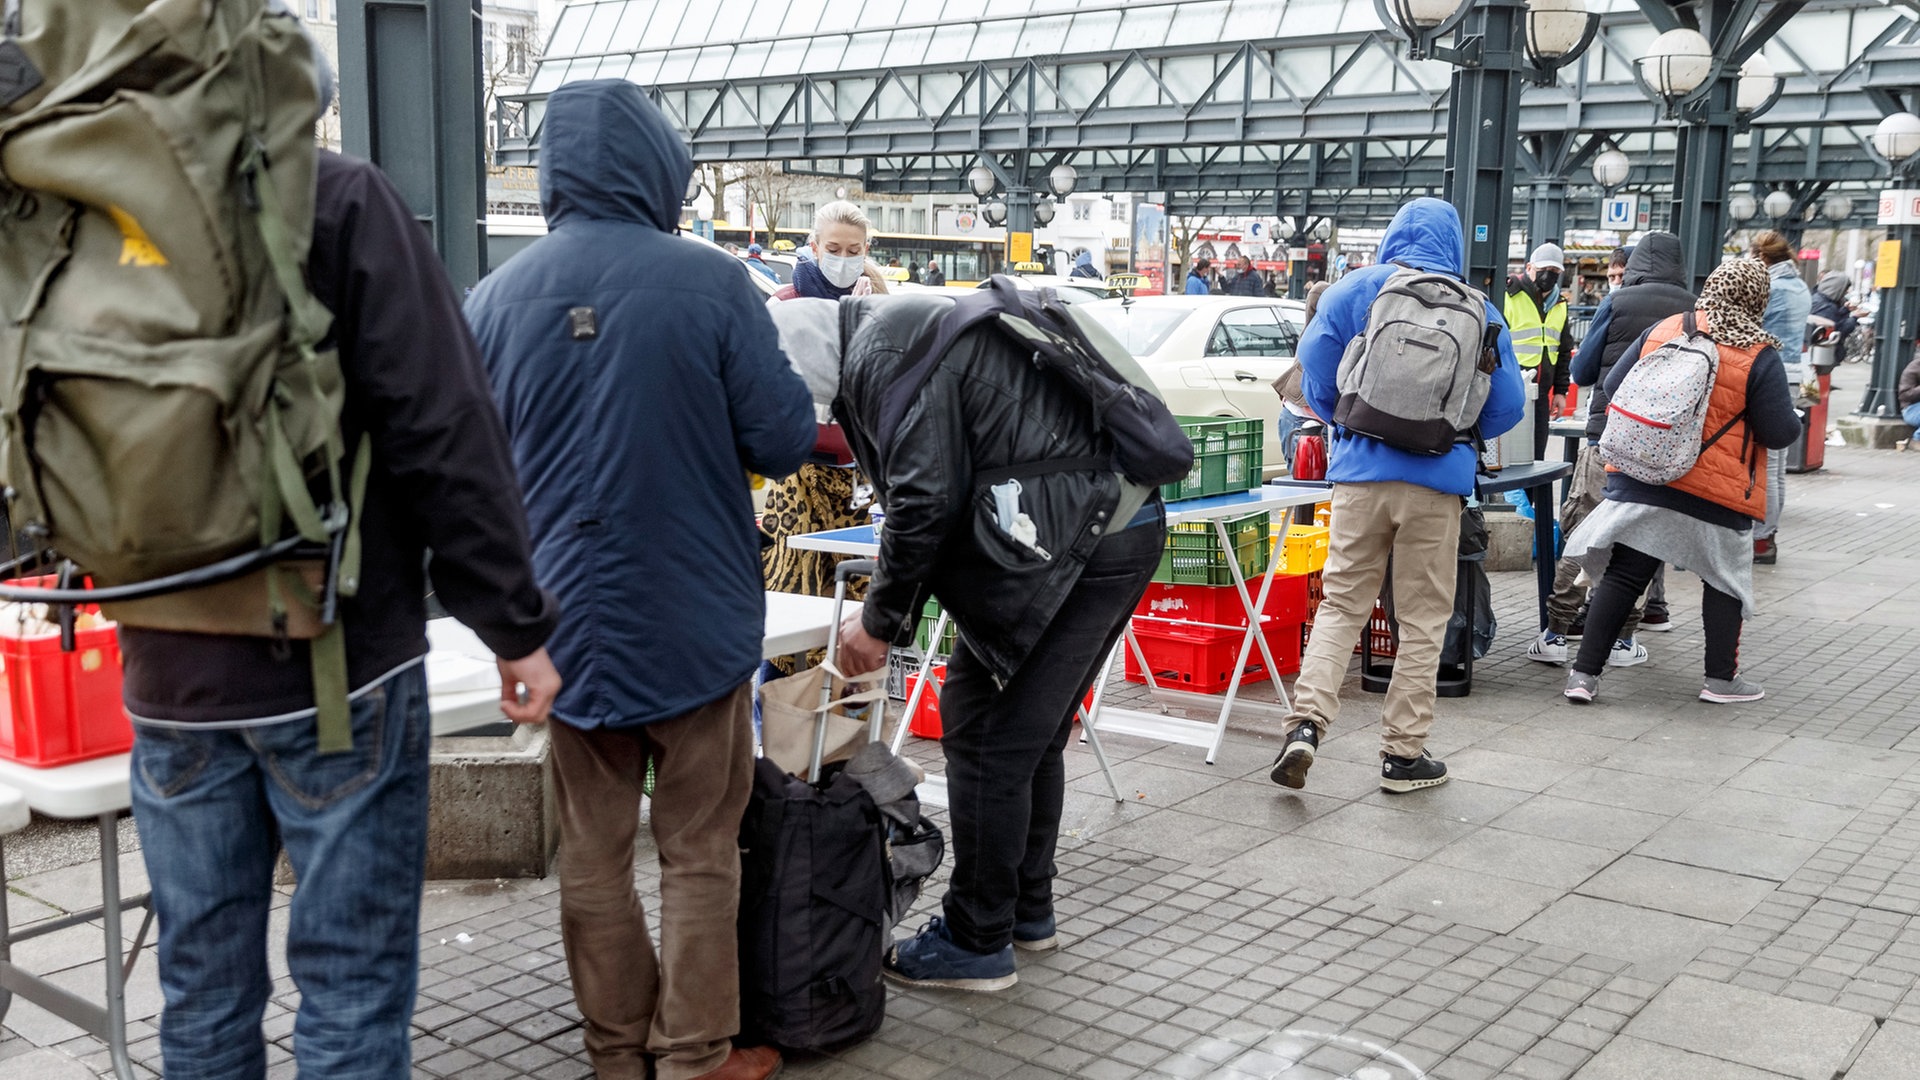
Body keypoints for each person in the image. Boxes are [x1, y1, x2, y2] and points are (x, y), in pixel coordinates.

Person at [123, 57, 564, 1080]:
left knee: (199, 988)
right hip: (334, 665)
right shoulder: (340, 198)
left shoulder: (106, 220)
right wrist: (515, 626)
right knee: (352, 990)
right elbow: (445, 430)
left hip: (163, 665)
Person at [465, 80, 815, 1080]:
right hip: (696, 617)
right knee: (701, 849)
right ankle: (696, 1055)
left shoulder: (490, 298)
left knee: (593, 850)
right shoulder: (709, 284)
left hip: (561, 623)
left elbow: (466, 475)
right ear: (662, 165)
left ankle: (616, 1056)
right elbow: (787, 438)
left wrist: (504, 627)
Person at [821, 290, 1168, 993]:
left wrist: (880, 623)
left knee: (985, 740)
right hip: (1109, 527)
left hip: (1073, 538)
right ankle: (1024, 914)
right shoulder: (904, 328)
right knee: (1026, 737)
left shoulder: (882, 348)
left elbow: (924, 499)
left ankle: (977, 940)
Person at [1268, 198, 1525, 794]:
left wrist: (1352, 426)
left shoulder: (1351, 291)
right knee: (1422, 618)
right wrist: (1451, 433)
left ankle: (1305, 726)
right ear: (1455, 244)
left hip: (1360, 474)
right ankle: (1403, 756)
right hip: (1437, 481)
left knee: (1341, 606)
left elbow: (1313, 380)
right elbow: (1507, 406)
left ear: (1390, 239)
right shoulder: (1480, 309)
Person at [1560, 258, 1801, 706]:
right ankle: (1720, 680)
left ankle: (1583, 676)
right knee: (1723, 580)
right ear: (1757, 300)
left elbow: (1613, 384)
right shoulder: (1758, 353)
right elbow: (1779, 431)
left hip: (1646, 475)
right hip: (1717, 494)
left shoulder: (1668, 328)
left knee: (1624, 576)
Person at [1532, 231, 1695, 667]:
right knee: (1641, 538)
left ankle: (1555, 634)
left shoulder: (1618, 301)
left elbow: (1584, 369)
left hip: (1607, 436)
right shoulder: (1694, 310)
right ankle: (1623, 640)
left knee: (1583, 532)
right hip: (1664, 446)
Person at [760, 204, 887, 676]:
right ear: (813, 248)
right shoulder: (784, 301)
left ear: (866, 251)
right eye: (832, 249)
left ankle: (843, 731)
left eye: (854, 250)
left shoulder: (876, 302)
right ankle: (772, 717)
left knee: (848, 615)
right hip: (798, 476)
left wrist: (864, 313)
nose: (842, 258)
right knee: (789, 607)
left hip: (857, 481)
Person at [1749, 231, 1810, 565]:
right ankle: (1768, 537)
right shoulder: (1800, 287)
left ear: (1762, 257)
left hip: (1771, 374)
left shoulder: (1770, 288)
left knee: (1766, 463)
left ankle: (1759, 537)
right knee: (1778, 464)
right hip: (1793, 377)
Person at [1505, 242, 1573, 455]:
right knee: (1510, 454)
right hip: (1512, 388)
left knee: (1537, 456)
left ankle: (1533, 490)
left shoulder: (1560, 305)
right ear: (1529, 268)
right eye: (1543, 269)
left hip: (1541, 393)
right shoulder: (1510, 295)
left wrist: (1561, 391)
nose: (1548, 275)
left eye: (1554, 271)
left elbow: (1563, 351)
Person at [1273, 280, 1332, 467]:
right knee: (1310, 486)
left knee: (1310, 487)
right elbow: (1314, 395)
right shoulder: (1320, 339)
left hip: (1300, 419)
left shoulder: (1313, 332)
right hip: (1304, 423)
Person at [1810, 271, 1861, 362]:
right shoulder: (1827, 306)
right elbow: (1835, 330)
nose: (1846, 293)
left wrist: (1845, 309)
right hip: (1821, 355)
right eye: (1845, 289)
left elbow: (1832, 319)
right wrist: (1854, 318)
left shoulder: (1818, 299)